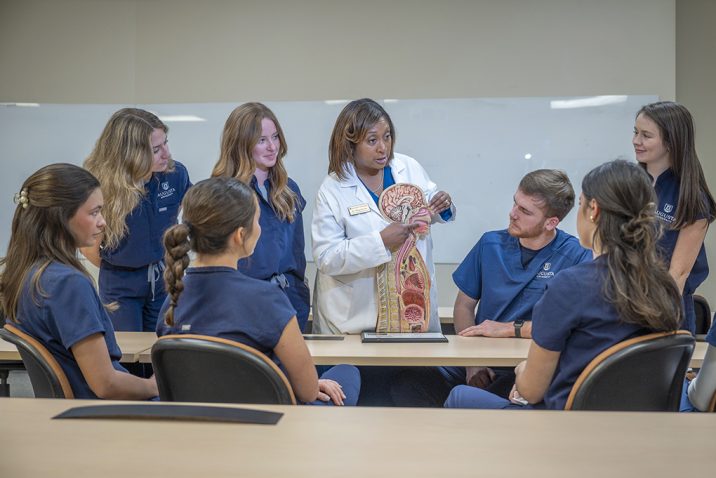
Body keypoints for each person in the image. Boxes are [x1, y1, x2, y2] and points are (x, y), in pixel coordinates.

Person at [445, 160, 682, 410]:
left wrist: (522, 369)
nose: (513, 213)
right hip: (633, 423)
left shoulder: (571, 285)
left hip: (564, 425)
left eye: (580, 205)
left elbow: (531, 390)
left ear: (594, 211)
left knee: (460, 396)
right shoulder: (663, 287)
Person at [157, 177, 360, 406]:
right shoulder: (267, 299)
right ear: (240, 235)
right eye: (258, 220)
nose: (261, 228)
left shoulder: (173, 301)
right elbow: (307, 391)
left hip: (196, 421)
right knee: (347, 372)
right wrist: (313, 384)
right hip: (268, 426)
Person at [397, 170, 591, 406]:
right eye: (515, 204)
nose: (512, 214)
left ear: (551, 222)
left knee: (476, 395)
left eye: (525, 211)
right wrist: (472, 364)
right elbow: (464, 306)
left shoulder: (576, 256)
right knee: (407, 381)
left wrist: (508, 328)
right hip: (481, 358)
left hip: (528, 366)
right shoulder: (490, 244)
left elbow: (566, 326)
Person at [0, 164, 157, 399]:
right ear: (61, 217)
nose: (103, 222)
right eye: (94, 212)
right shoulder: (67, 285)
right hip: (106, 415)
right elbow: (106, 385)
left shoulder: (28, 274)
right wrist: (155, 386)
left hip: (81, 413)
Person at [312, 98, 455, 335]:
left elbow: (429, 201)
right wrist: (380, 242)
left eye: (387, 136)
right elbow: (327, 257)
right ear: (350, 144)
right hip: (355, 322)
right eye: (372, 140)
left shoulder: (407, 167)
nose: (383, 148)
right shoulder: (333, 189)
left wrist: (442, 205)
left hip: (412, 311)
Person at [82, 108, 192, 333]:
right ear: (130, 153)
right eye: (156, 149)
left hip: (163, 278)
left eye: (165, 144)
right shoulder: (100, 187)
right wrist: (123, 270)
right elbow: (89, 247)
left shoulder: (175, 174)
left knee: (161, 351)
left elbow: (181, 214)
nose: (166, 154)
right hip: (120, 284)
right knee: (126, 353)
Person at [212, 103, 310, 331]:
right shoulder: (223, 191)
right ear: (241, 144)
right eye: (261, 140)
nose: (272, 147)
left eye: (275, 137)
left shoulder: (288, 189)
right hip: (244, 308)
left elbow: (297, 254)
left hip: (289, 303)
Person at [633, 101, 715, 334]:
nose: (636, 141)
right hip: (622, 303)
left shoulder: (692, 199)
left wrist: (651, 317)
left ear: (670, 142)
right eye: (635, 132)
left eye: (646, 135)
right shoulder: (629, 182)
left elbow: (678, 274)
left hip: (663, 310)